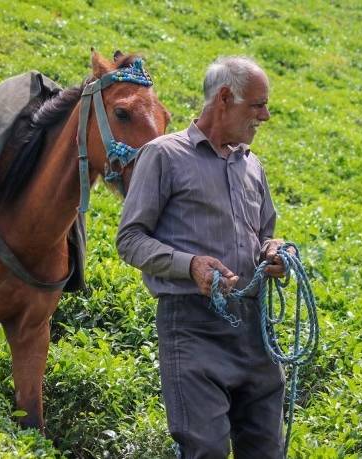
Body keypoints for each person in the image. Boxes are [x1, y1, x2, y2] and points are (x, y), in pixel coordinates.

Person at [116, 56, 289, 458]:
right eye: (257, 105)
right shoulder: (164, 156)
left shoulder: (252, 166)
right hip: (192, 326)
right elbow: (130, 239)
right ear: (225, 98)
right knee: (205, 449)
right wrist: (189, 265)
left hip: (255, 328)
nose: (265, 115)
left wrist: (276, 251)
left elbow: (266, 233)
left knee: (266, 450)